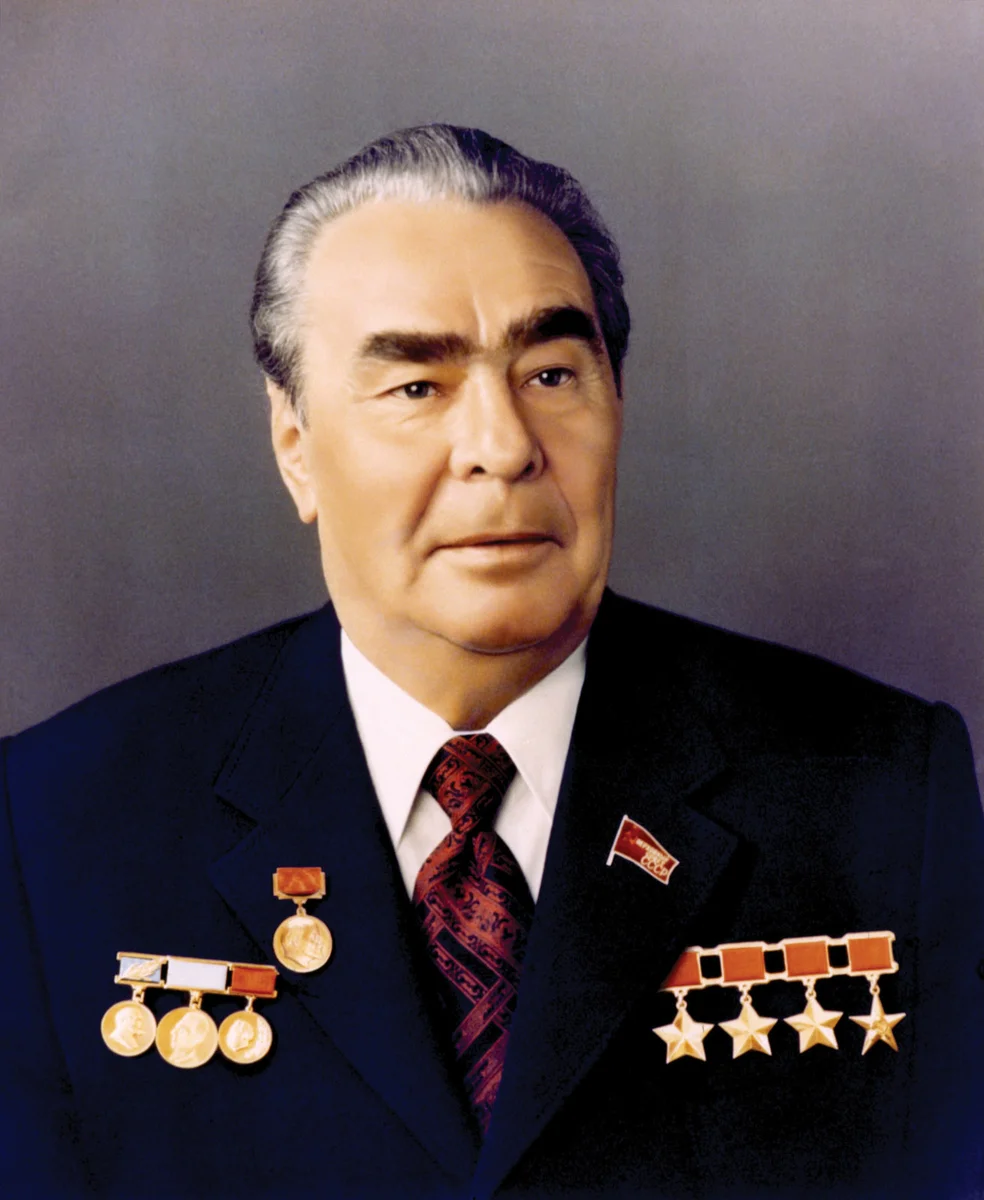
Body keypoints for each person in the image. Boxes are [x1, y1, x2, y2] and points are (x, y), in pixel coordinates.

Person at [1, 124, 981, 1199]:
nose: (504, 446)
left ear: (617, 404)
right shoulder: (60, 824)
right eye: (417, 388)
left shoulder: (880, 794)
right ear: (295, 444)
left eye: (552, 373)